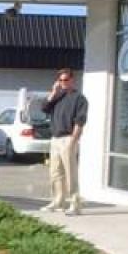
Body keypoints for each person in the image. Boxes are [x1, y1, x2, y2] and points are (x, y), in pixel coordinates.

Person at [40, 68, 88, 215]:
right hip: (55, 138)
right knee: (55, 173)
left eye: (66, 80)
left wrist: (74, 140)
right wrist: (53, 92)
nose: (63, 83)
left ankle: (75, 204)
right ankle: (58, 201)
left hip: (68, 138)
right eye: (60, 80)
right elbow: (44, 108)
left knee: (70, 173)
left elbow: (80, 120)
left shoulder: (79, 98)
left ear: (72, 80)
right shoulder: (57, 97)